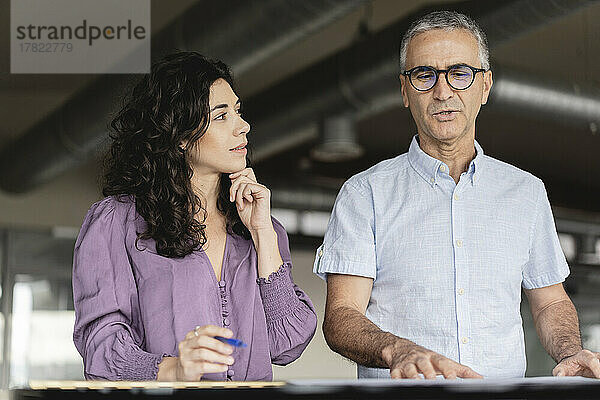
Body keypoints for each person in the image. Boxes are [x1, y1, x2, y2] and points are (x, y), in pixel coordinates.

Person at [314, 10, 600, 379]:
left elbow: (550, 303)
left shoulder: (526, 192)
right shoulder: (364, 194)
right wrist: (399, 350)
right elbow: (341, 318)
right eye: (424, 75)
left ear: (485, 86)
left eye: (460, 73)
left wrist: (571, 351)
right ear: (404, 90)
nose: (443, 91)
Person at [73, 51, 317, 381]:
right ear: (181, 134)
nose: (243, 126)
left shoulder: (261, 227)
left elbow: (287, 344)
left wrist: (263, 235)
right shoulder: (116, 223)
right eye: (221, 116)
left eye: (238, 112)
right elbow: (101, 348)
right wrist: (173, 369)